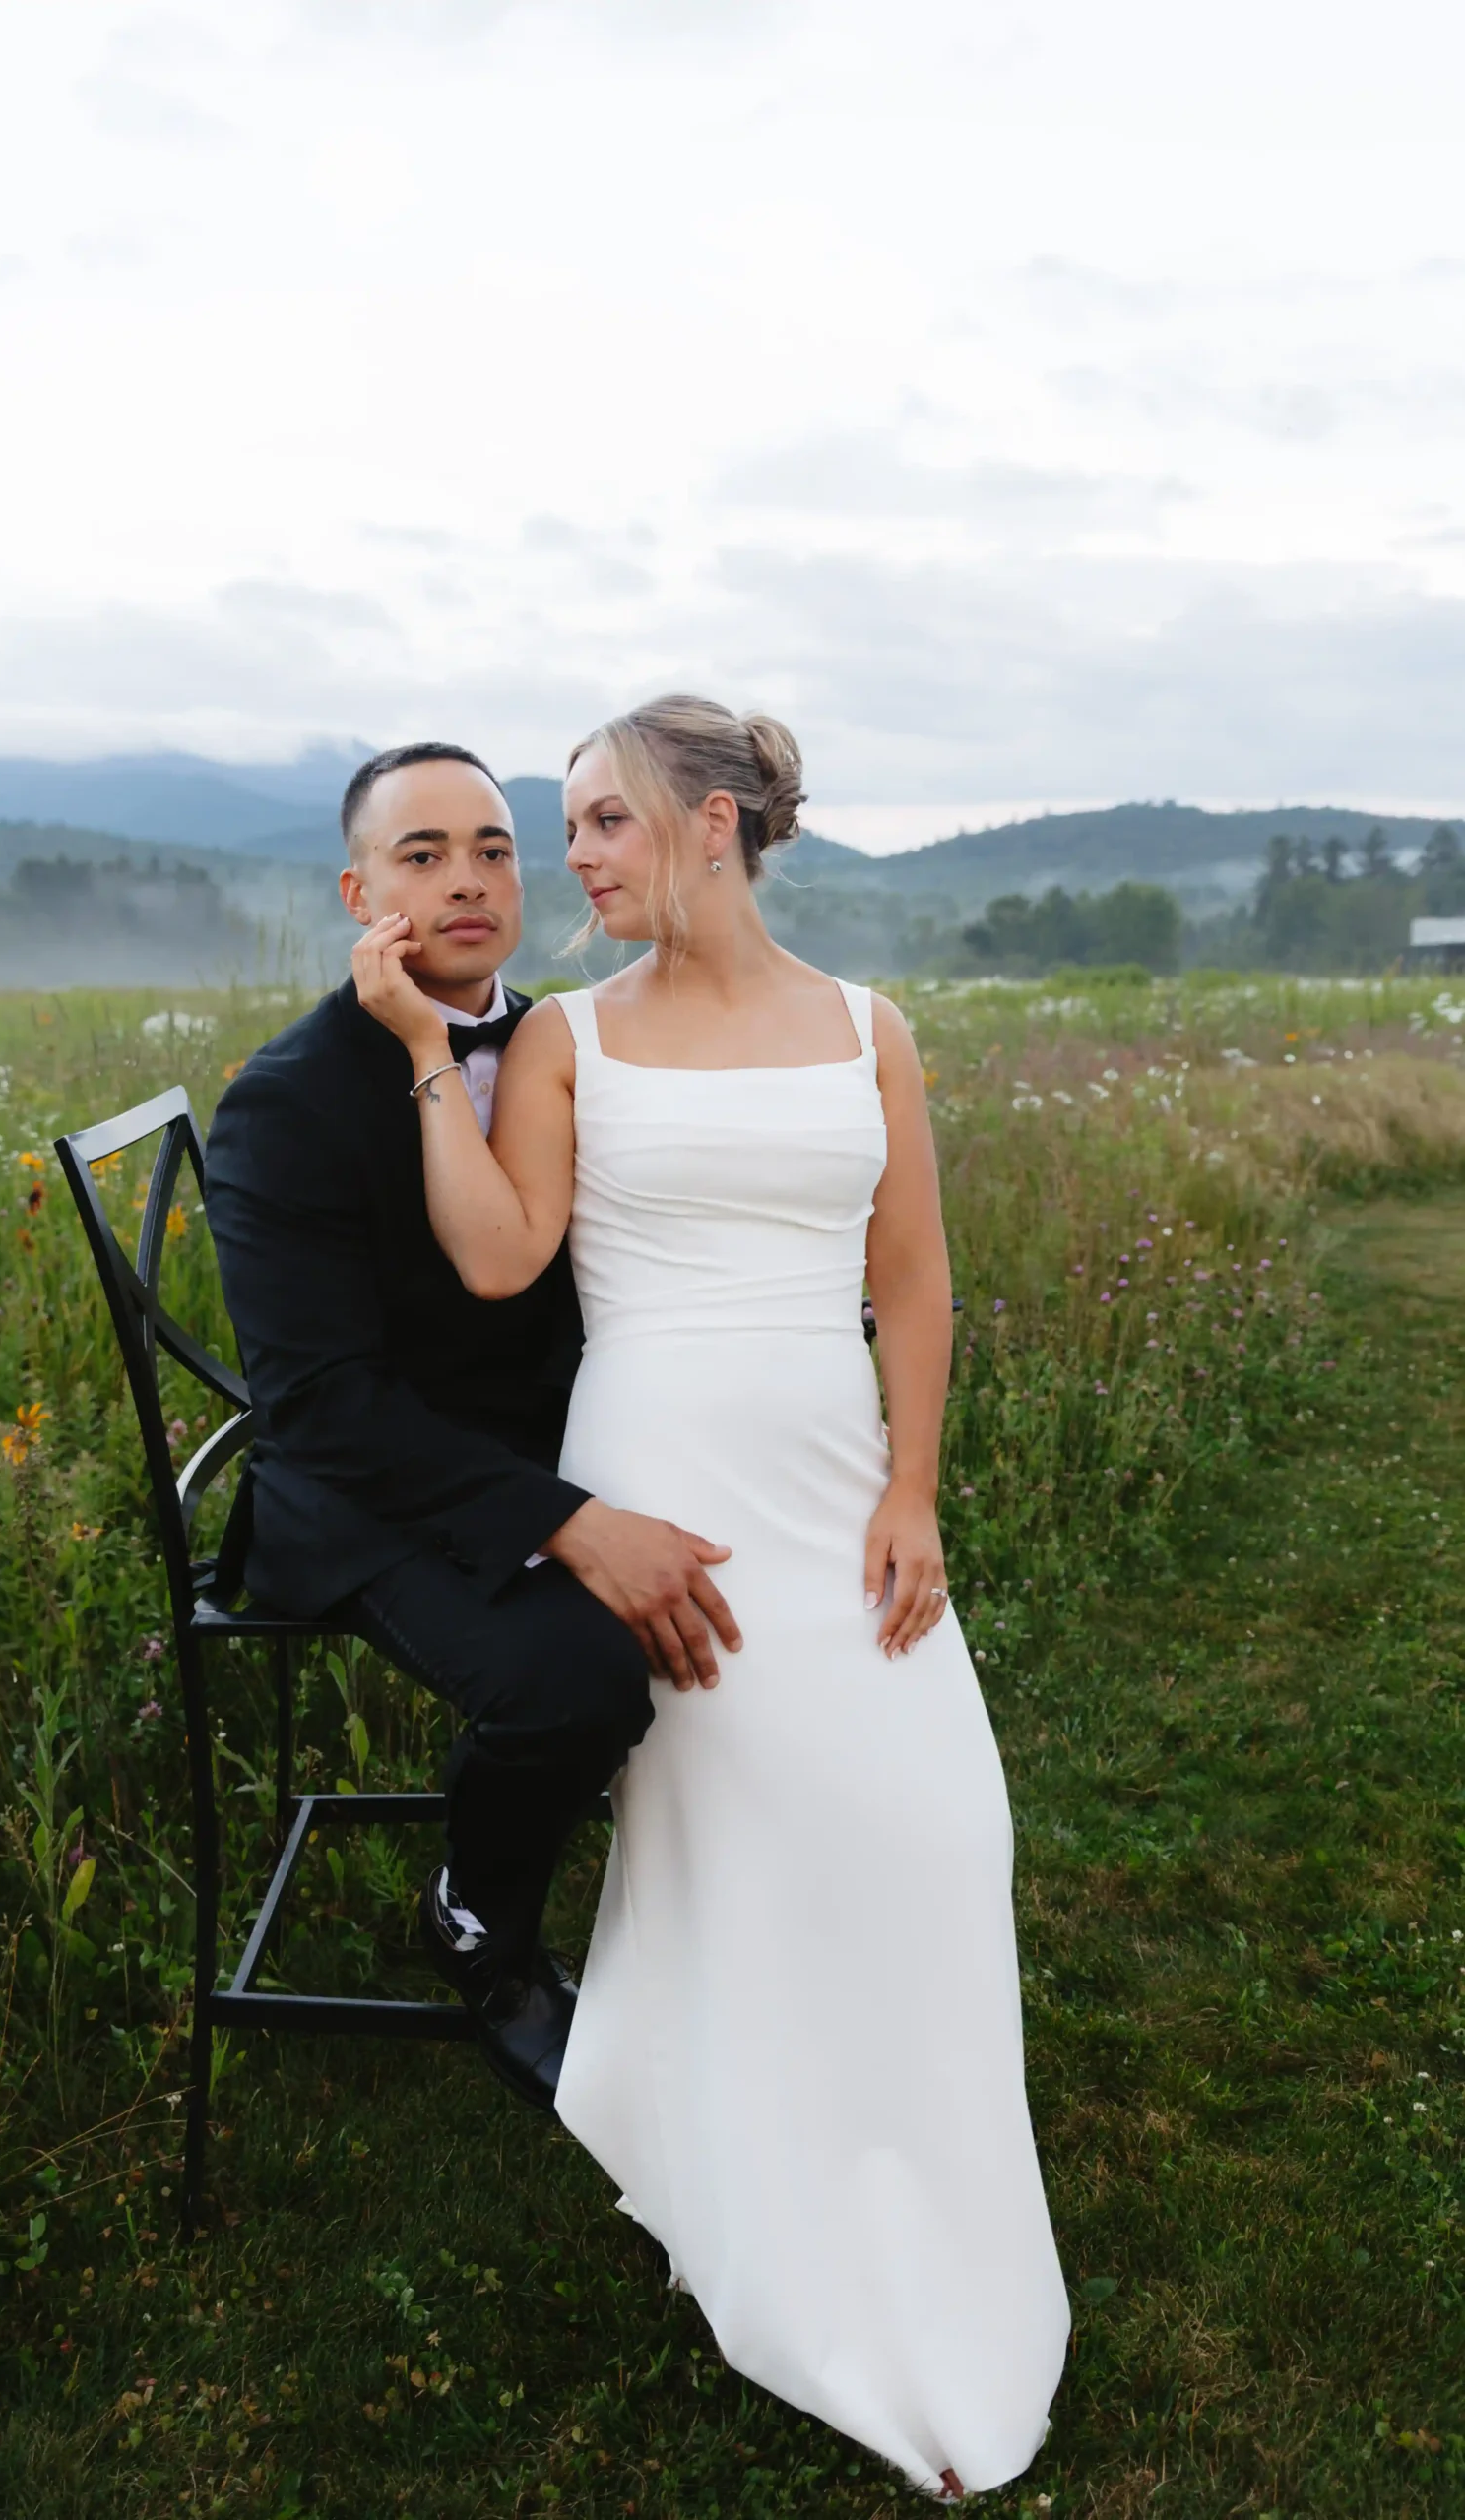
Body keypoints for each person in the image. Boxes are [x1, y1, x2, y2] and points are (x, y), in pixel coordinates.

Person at [350, 697, 1069, 2500]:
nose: (569, 857)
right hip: (665, 1483)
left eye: (601, 818)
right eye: (565, 826)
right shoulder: (569, 1036)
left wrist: (913, 1488)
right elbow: (502, 1257)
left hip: (837, 1480)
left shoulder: (868, 1029)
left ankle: (923, 2186)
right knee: (747, 1843)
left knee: (939, 1828)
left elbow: (912, 1275)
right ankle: (749, 2178)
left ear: (716, 821)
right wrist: (430, 1050)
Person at [204, 740, 743, 2111]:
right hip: (368, 1494)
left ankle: (734, 1908)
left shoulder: (565, 1041)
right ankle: (477, 1923)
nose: (467, 880)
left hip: (547, 1443)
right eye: (423, 854)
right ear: (358, 894)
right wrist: (569, 1524)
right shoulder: (287, 1101)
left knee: (769, 1563)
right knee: (578, 1684)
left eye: (493, 850)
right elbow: (318, 1405)